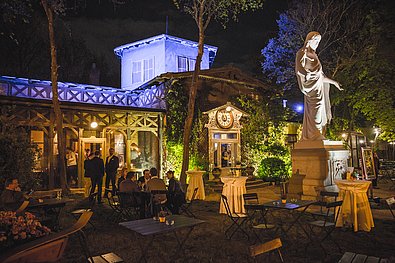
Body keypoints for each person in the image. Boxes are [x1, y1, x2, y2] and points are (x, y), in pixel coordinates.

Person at [295, 31, 343, 140]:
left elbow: (320, 76)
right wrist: (306, 74)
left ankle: (316, 133)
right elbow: (299, 68)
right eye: (315, 40)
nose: (317, 43)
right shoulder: (302, 52)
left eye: (318, 41)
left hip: (318, 87)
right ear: (309, 40)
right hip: (310, 87)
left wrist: (334, 83)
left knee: (320, 109)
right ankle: (314, 134)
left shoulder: (315, 55)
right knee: (315, 107)